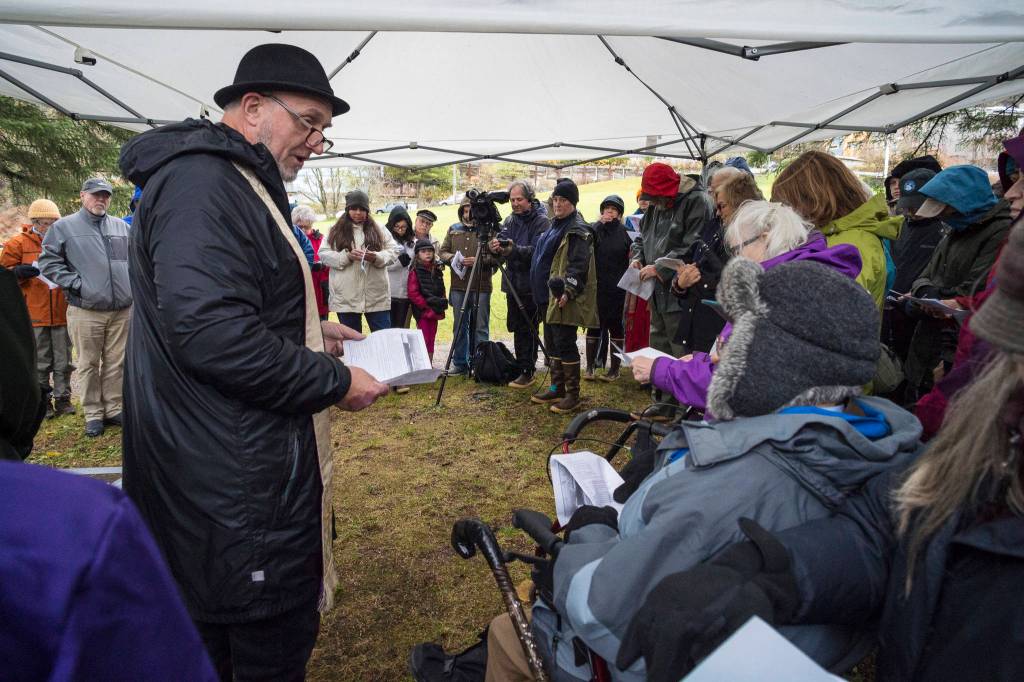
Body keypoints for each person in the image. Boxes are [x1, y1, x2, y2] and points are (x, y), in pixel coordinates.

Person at [620, 220, 1024, 682]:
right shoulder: (975, 450)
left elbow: (611, 620)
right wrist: (778, 572)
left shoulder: (746, 471)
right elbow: (890, 523)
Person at [483, 258, 921, 682]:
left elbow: (608, 616)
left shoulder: (733, 484)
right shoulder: (883, 446)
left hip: (653, 659)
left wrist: (584, 540)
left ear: (771, 363)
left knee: (507, 633)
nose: (719, 350)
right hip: (784, 656)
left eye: (736, 338)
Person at [117, 43, 390, 679]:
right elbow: (212, 333)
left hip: (227, 465)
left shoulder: (228, 179)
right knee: (255, 647)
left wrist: (303, 326)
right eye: (309, 122)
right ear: (253, 107)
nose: (318, 141)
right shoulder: (204, 181)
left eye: (326, 129)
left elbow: (224, 302)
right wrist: (332, 379)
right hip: (227, 483)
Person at [634, 201, 861, 414]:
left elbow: (737, 382)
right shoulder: (806, 278)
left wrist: (661, 370)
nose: (737, 259)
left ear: (765, 238)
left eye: (738, 249)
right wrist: (701, 361)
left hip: (771, 434)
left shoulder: (779, 292)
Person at [900, 165, 1012, 400]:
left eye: (946, 211)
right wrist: (925, 294)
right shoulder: (953, 231)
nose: (942, 217)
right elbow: (924, 275)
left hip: (957, 346)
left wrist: (929, 297)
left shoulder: (1000, 232)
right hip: (925, 342)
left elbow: (976, 289)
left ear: (963, 204)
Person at [38, 178, 132, 438]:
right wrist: (76, 284)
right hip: (86, 310)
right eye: (95, 195)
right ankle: (93, 413)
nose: (100, 199)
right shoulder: (64, 227)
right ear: (82, 196)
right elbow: (48, 262)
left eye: (105, 196)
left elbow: (133, 260)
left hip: (122, 309)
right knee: (89, 363)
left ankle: (113, 408)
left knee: (116, 362)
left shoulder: (121, 227)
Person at [629, 162, 712, 420]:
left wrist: (660, 269)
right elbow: (642, 237)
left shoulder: (696, 201)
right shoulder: (655, 205)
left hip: (681, 289)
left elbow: (694, 244)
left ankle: (682, 409)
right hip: (657, 291)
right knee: (659, 342)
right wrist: (638, 257)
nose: (655, 203)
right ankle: (662, 404)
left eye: (658, 198)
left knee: (680, 349)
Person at [771, 150, 902, 309]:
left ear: (813, 199)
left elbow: (825, 313)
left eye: (788, 204)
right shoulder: (835, 236)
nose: (786, 212)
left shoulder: (852, 245)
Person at [1, 199, 75, 419]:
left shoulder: (65, 241)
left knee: (64, 360)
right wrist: (18, 273)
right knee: (41, 361)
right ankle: (43, 403)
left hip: (62, 311)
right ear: (34, 222)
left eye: (52, 222)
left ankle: (64, 399)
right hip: (35, 313)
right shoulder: (18, 244)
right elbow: (4, 276)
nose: (48, 227)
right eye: (44, 223)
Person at [530, 178, 597, 413]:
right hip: (547, 296)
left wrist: (568, 290)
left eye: (563, 200)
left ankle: (572, 394)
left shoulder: (578, 229)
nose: (557, 204)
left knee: (565, 343)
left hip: (563, 296)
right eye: (555, 199)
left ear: (573, 203)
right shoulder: (554, 225)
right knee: (552, 343)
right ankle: (556, 387)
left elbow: (579, 264)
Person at [488, 180, 549, 388]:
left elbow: (537, 252)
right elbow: (503, 241)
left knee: (529, 327)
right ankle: (523, 366)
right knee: (517, 326)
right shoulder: (510, 220)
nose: (515, 203)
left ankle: (527, 370)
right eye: (512, 200)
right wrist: (495, 245)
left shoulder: (541, 222)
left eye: (519, 199)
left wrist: (513, 249)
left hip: (531, 285)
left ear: (529, 199)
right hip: (512, 283)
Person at [882, 168, 947, 365]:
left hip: (922, 316)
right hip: (890, 311)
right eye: (907, 205)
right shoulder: (898, 225)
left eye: (918, 205)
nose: (911, 211)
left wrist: (919, 294)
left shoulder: (945, 231)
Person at [320, 189, 401, 332]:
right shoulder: (334, 230)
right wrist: (347, 257)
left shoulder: (379, 229)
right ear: (347, 209)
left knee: (383, 341)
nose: (358, 212)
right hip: (345, 298)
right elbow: (323, 254)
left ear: (367, 210)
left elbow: (394, 250)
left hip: (377, 297)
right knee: (353, 344)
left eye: (362, 209)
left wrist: (376, 257)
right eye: (354, 208)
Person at [440, 198, 497, 375]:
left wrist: (479, 261)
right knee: (459, 326)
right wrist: (453, 259)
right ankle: (460, 364)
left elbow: (498, 259)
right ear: (461, 211)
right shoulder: (453, 229)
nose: (468, 214)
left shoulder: (490, 231)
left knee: (480, 327)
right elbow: (442, 251)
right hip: (459, 286)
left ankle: (480, 365)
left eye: (471, 210)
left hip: (482, 286)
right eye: (465, 210)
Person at [585, 194, 631, 381]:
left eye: (613, 209)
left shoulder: (625, 232)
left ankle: (615, 370)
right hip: (597, 287)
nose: (609, 212)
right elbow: (586, 240)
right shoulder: (595, 229)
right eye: (606, 208)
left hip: (618, 289)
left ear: (619, 214)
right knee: (594, 326)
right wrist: (598, 224)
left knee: (616, 329)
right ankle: (589, 368)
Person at [407, 239, 447, 361]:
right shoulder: (415, 271)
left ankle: (429, 364)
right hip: (423, 311)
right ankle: (423, 364)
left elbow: (441, 288)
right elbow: (413, 293)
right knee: (424, 338)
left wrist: (442, 301)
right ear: (418, 254)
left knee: (432, 337)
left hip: (435, 310)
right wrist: (425, 306)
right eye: (424, 251)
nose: (428, 254)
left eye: (430, 251)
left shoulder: (437, 270)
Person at [293, 204, 330, 320]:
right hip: (301, 288)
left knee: (323, 323)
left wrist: (322, 265)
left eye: (306, 226)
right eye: (300, 227)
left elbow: (330, 260)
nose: (303, 230)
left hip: (320, 288)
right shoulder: (292, 240)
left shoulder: (321, 239)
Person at [385, 204, 416, 329]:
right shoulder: (386, 242)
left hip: (405, 293)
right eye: (397, 227)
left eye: (403, 227)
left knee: (401, 328)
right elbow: (381, 264)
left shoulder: (412, 242)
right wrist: (398, 263)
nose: (400, 230)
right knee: (390, 328)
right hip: (390, 292)